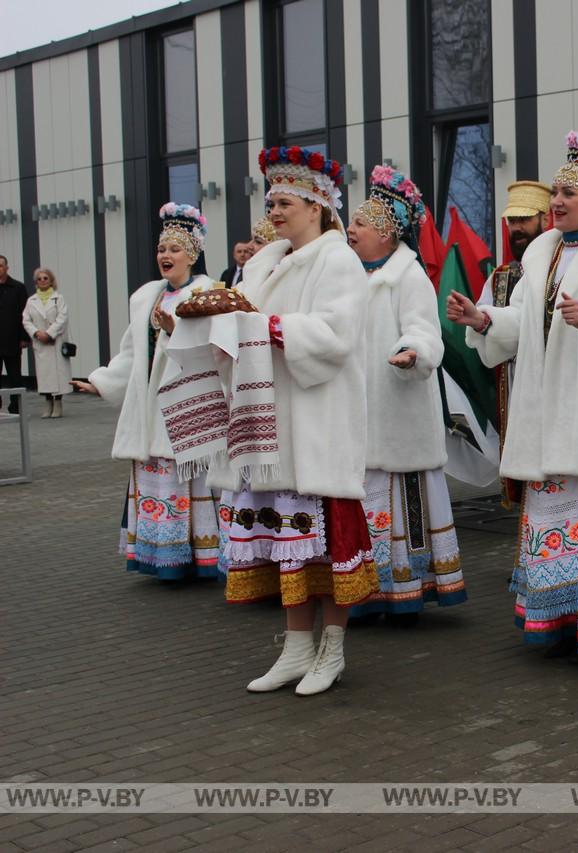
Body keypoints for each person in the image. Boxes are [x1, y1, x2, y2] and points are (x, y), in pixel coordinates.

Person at [446, 129, 578, 662]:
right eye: (555, 193)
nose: (557, 202)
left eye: (568, 193)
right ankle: (558, 614)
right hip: (547, 410)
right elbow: (523, 321)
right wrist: (484, 319)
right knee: (554, 516)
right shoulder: (542, 251)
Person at [214, 145, 375, 696]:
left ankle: (332, 650)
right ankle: (295, 648)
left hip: (319, 424)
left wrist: (265, 325)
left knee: (325, 546)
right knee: (289, 548)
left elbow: (335, 338)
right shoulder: (263, 263)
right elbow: (240, 324)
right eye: (271, 202)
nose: (274, 212)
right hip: (273, 427)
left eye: (284, 202)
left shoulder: (337, 260)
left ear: (316, 206)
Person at [71, 204, 219, 581]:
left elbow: (211, 354)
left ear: (193, 254)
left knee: (184, 479)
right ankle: (158, 557)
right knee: (155, 477)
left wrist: (176, 331)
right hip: (149, 410)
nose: (165, 256)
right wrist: (102, 381)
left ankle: (195, 557)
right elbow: (133, 354)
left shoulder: (207, 296)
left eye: (174, 249)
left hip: (185, 408)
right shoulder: (147, 299)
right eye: (161, 249)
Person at [345, 164, 464, 624]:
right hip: (359, 413)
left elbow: (424, 329)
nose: (350, 230)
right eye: (352, 222)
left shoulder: (408, 277)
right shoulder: (349, 276)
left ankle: (408, 589)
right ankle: (367, 587)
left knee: (402, 499)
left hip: (398, 411)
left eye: (360, 224)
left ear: (387, 235)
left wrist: (411, 352)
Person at [478, 180, 552, 505]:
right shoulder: (499, 276)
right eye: (512, 221)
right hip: (513, 379)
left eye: (525, 219)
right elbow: (486, 332)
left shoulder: (557, 268)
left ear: (545, 220)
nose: (517, 228)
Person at [22, 267, 72, 418]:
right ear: (36, 282)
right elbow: (26, 320)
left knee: (58, 374)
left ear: (51, 280)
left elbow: (62, 318)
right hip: (40, 343)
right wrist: (37, 333)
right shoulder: (31, 301)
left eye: (45, 278)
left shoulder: (59, 298)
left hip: (54, 341)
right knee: (45, 375)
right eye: (39, 279)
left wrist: (49, 334)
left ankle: (58, 403)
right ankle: (47, 402)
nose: (42, 281)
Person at [0, 255, 27, 414]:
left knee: (15, 375)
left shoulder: (18, 287)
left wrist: (24, 337)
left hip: (12, 339)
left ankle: (16, 406)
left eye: (1, 266)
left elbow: (25, 313)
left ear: (7, 268)